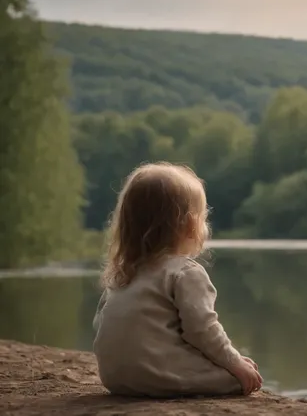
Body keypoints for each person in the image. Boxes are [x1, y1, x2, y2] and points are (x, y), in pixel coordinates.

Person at [92, 162, 263, 398]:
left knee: (225, 362)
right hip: (155, 375)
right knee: (238, 376)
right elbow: (202, 330)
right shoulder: (184, 272)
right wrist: (234, 362)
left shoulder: (125, 272)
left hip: (114, 377)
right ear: (192, 225)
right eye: (204, 217)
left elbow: (102, 324)